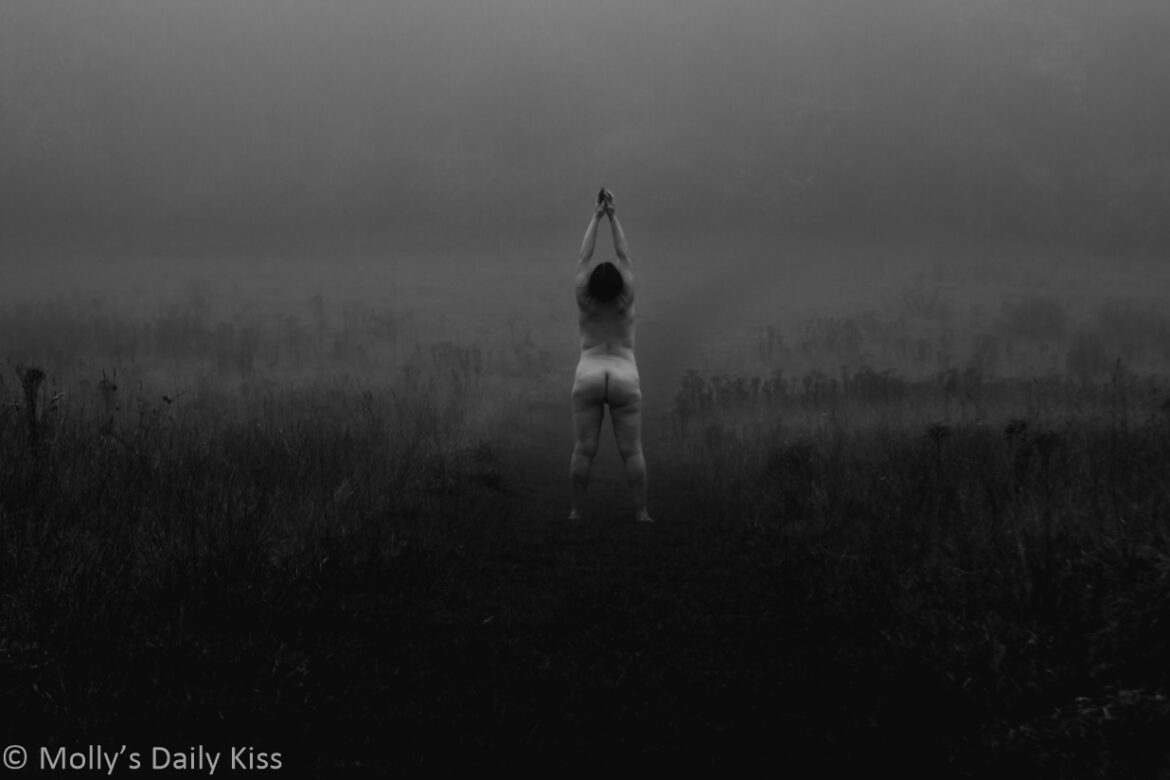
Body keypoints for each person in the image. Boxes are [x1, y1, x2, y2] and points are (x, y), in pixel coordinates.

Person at [569, 188, 652, 523]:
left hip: (588, 374)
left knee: (583, 449)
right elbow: (624, 254)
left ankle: (576, 511)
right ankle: (641, 512)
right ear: (619, 284)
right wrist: (613, 215)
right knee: (632, 451)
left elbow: (583, 257)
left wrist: (596, 216)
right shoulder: (626, 295)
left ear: (591, 285)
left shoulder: (583, 296)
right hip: (623, 375)